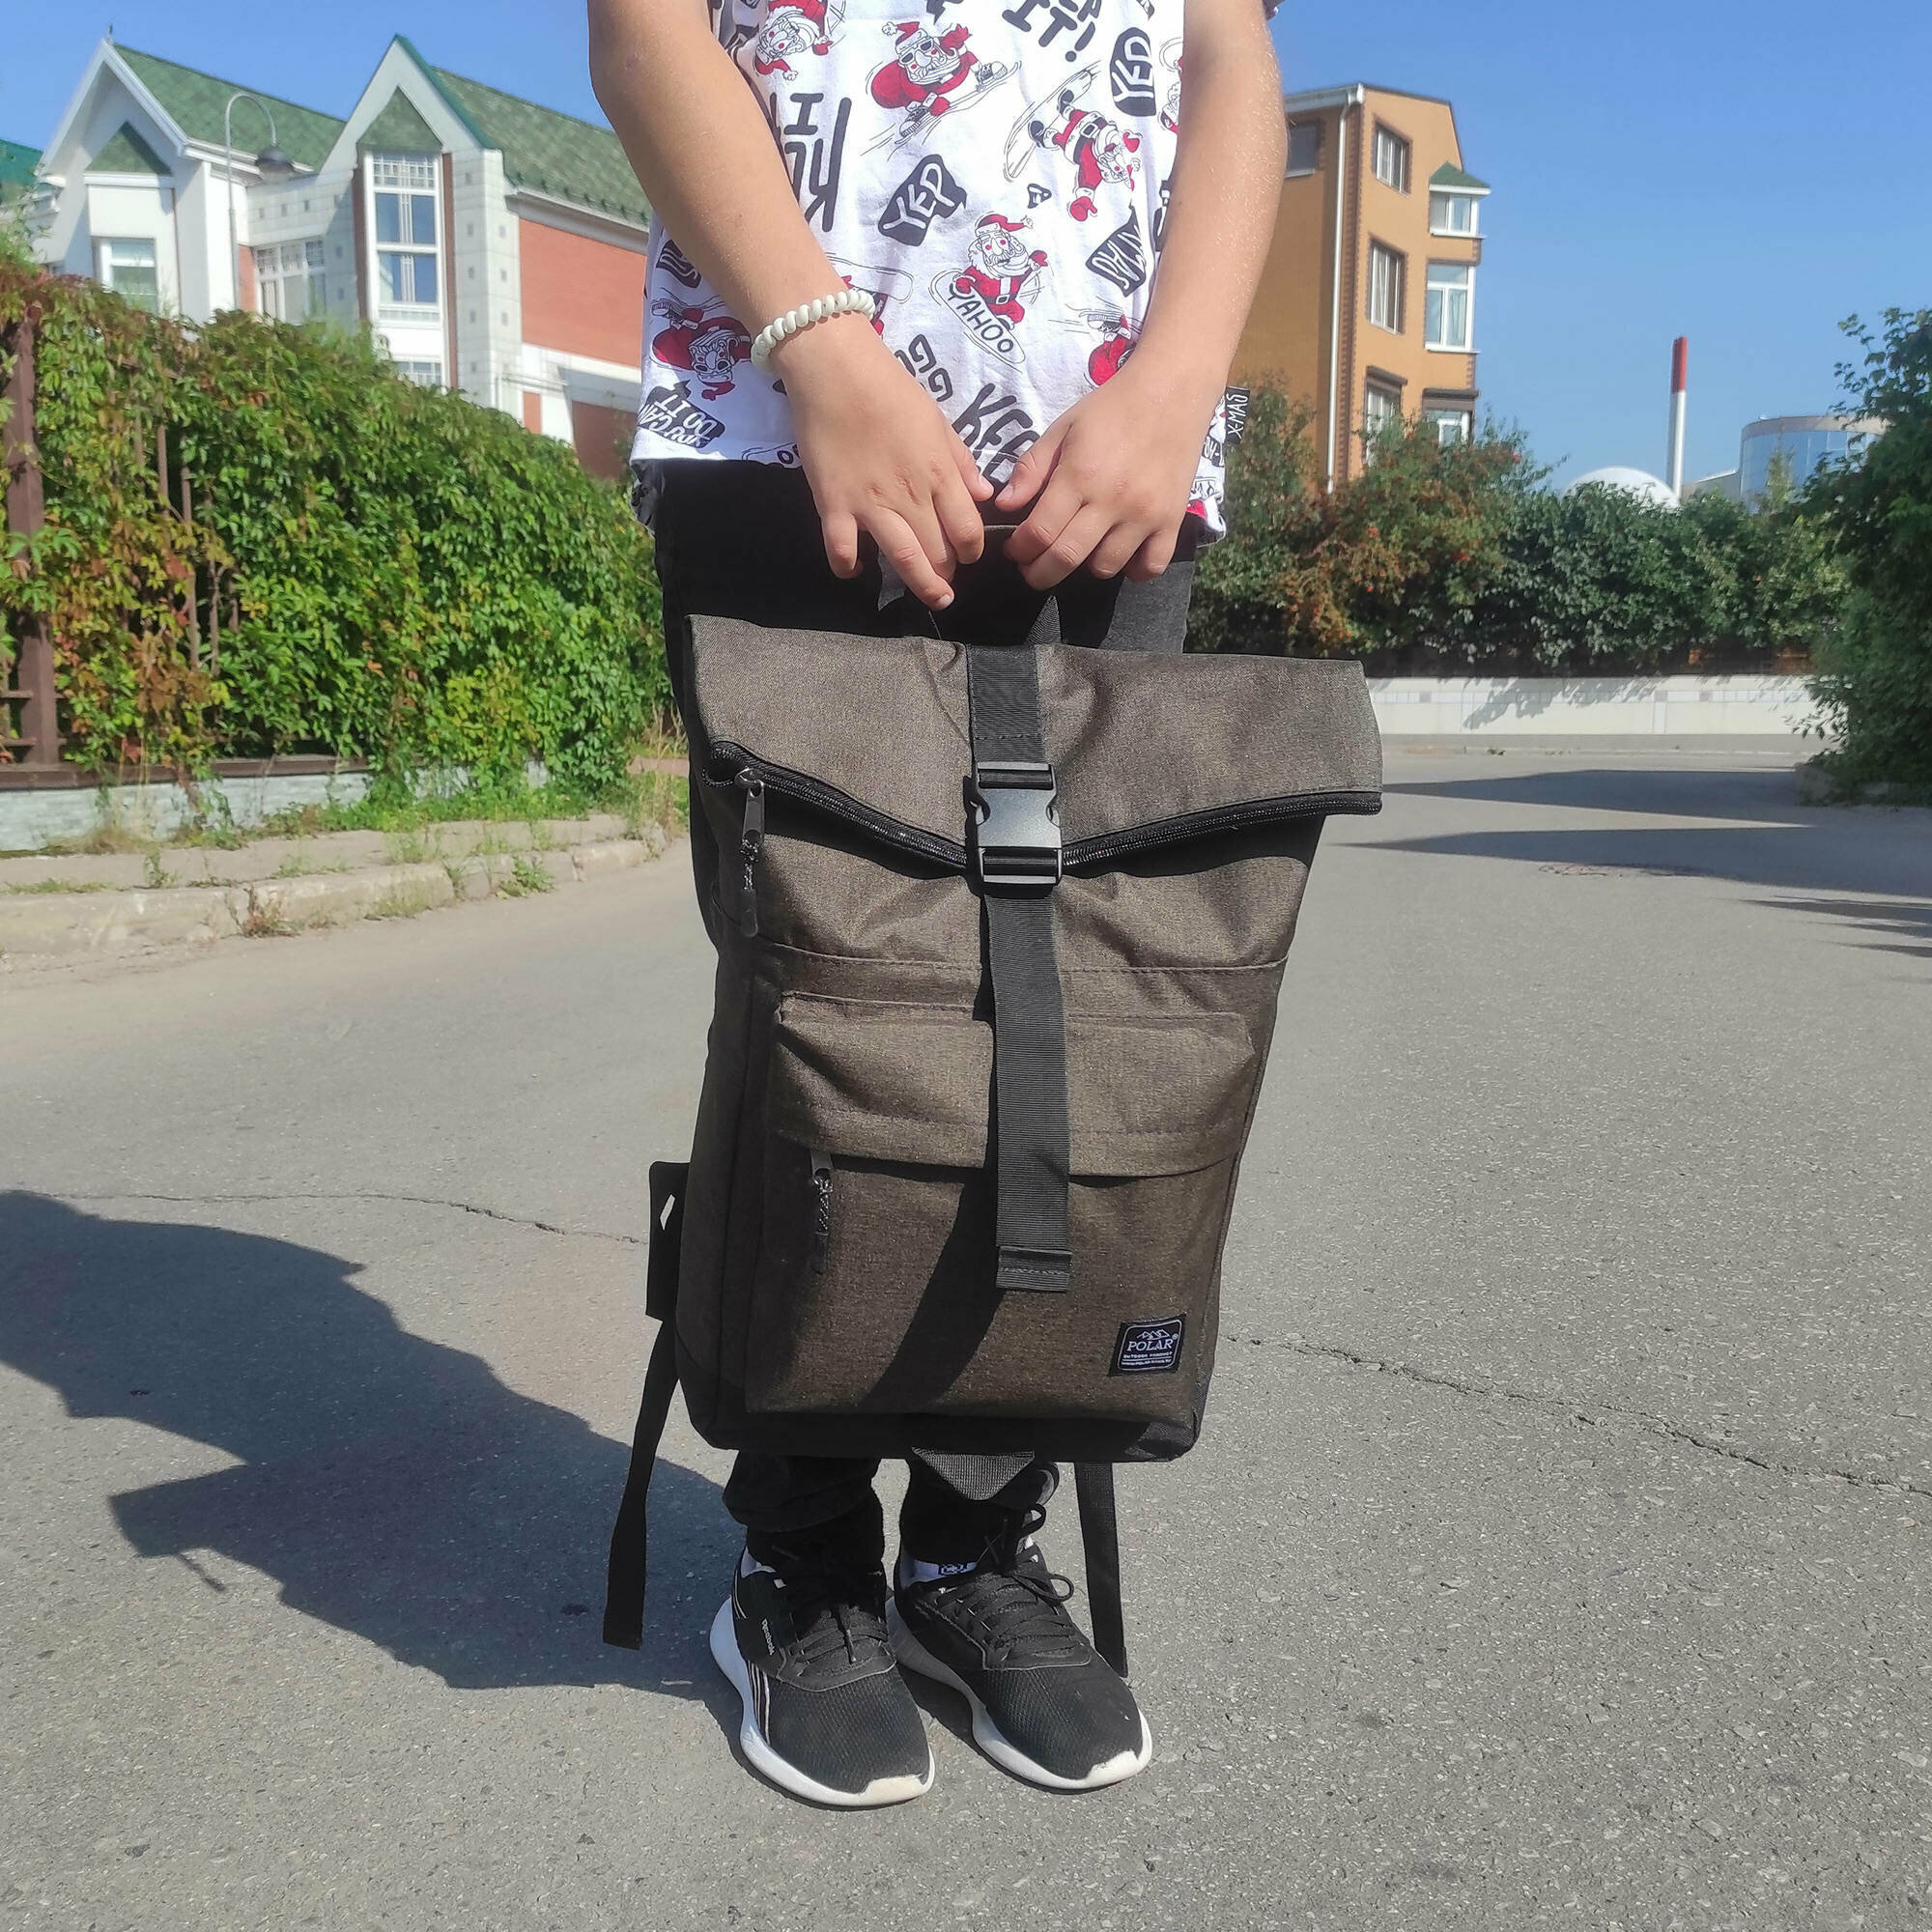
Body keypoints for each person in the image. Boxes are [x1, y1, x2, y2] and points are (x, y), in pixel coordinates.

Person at [589, 0, 1287, 1806]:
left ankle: (972, 1543)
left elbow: (1226, 53)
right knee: (826, 1011)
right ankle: (803, 1555)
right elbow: (645, 25)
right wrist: (822, 349)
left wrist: (1177, 385)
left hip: (1104, 451)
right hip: (781, 415)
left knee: (1070, 1017)